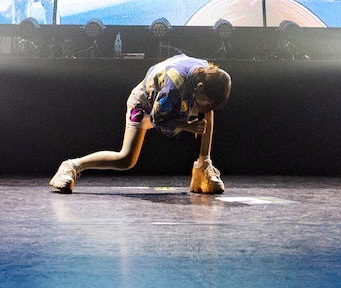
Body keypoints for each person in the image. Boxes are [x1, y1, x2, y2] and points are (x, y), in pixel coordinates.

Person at [50, 54, 231, 194]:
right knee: (126, 159)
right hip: (144, 107)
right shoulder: (173, 87)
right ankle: (71, 166)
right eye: (205, 100)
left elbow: (204, 104)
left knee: (206, 111)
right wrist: (186, 126)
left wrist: (201, 109)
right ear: (198, 87)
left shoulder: (206, 72)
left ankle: (202, 166)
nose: (204, 106)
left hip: (174, 100)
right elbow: (158, 119)